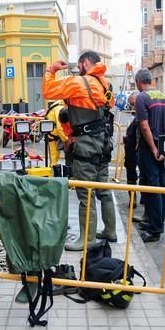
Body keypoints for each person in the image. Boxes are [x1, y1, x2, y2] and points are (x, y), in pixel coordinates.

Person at [42, 50, 115, 250]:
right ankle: (110, 230)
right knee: (104, 189)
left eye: (79, 65)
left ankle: (87, 239)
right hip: (104, 142)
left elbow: (48, 91)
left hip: (87, 145)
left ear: (84, 63)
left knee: (86, 193)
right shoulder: (104, 83)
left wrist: (52, 70)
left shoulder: (78, 82)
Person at [134, 69, 165, 243]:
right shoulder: (164, 97)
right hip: (162, 147)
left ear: (138, 81)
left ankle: (155, 229)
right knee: (161, 184)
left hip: (150, 148)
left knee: (153, 186)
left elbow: (144, 126)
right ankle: (155, 220)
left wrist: (153, 149)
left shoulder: (142, 97)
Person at [44, 100, 72, 165]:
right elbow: (60, 127)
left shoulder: (58, 105)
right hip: (55, 136)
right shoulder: (59, 108)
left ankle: (53, 171)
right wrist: (66, 140)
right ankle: (53, 172)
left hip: (54, 135)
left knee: (54, 158)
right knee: (54, 158)